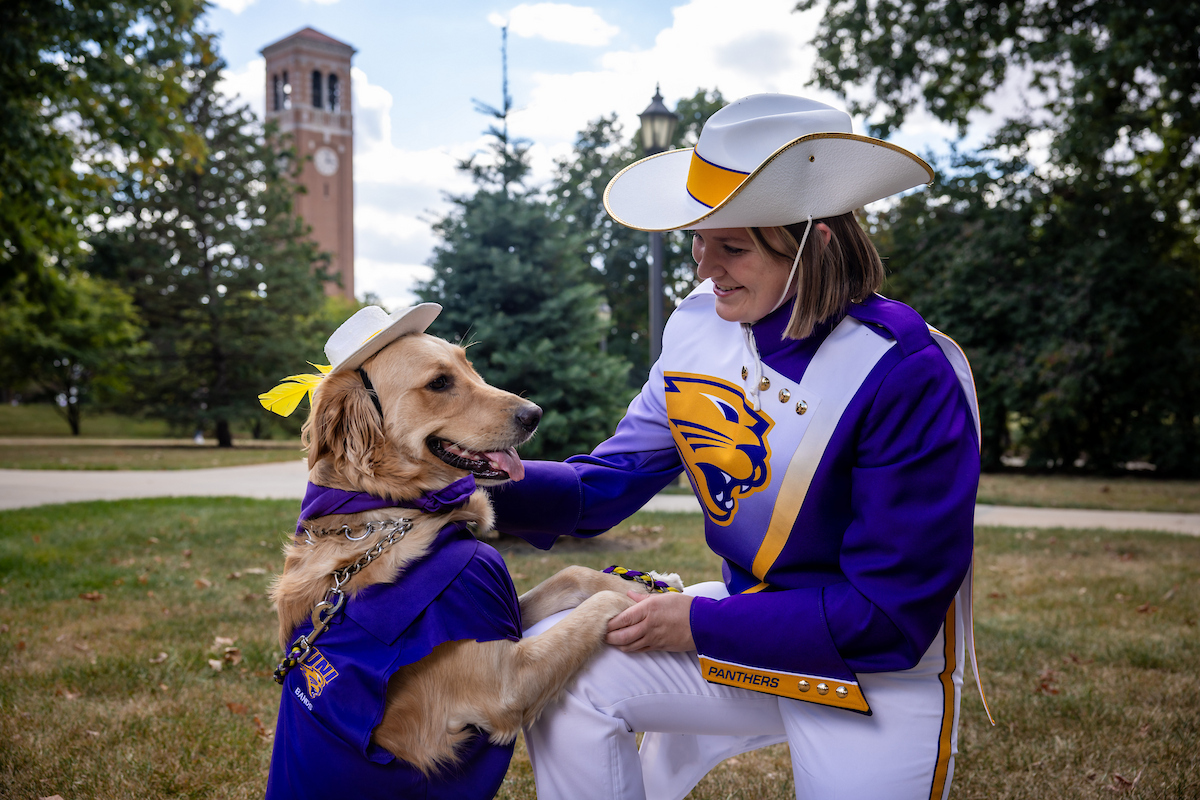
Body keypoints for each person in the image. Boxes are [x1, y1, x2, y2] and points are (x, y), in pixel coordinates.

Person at [488, 94, 989, 800]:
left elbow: (885, 617)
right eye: (698, 238)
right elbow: (607, 481)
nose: (704, 267)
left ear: (815, 244)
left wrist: (695, 622)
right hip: (733, 625)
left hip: (869, 673)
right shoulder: (697, 328)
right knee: (566, 683)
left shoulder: (906, 370)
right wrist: (476, 487)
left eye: (733, 246)